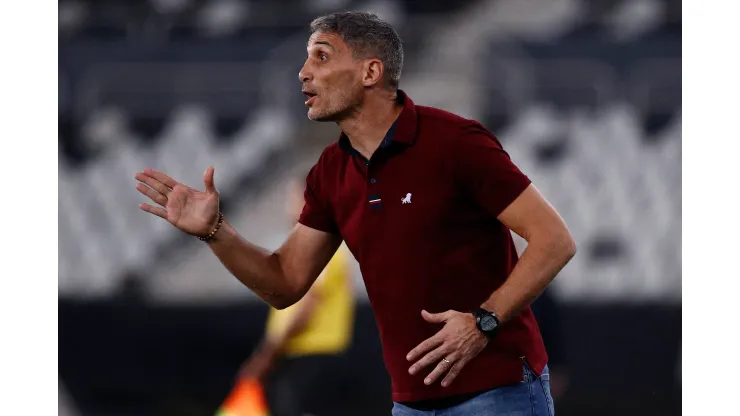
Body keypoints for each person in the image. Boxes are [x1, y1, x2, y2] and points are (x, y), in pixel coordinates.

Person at [134, 11, 576, 416]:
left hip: (499, 392)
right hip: (412, 404)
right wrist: (215, 231)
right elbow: (286, 282)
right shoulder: (330, 172)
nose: (304, 73)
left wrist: (483, 321)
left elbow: (555, 241)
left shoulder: (455, 142)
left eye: (321, 58)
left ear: (370, 72)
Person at [217, 178, 355, 416]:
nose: (288, 206)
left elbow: (306, 308)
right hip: (311, 357)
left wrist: (267, 354)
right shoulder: (317, 249)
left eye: (293, 199)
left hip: (311, 356)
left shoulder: (322, 249)